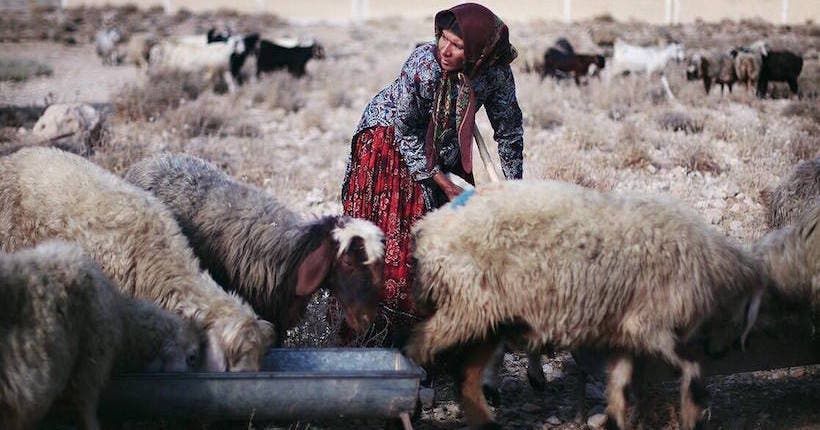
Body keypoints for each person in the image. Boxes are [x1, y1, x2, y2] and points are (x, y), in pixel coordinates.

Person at [340, 2, 524, 347]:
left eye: (457, 45)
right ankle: (381, 339)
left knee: (450, 242)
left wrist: (514, 193)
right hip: (391, 140)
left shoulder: (494, 72)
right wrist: (439, 179)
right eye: (442, 38)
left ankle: (441, 343)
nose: (445, 48)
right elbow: (405, 127)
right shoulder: (424, 64)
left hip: (444, 145)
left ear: (479, 52)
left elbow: (510, 131)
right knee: (399, 238)